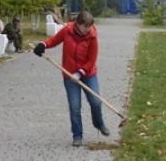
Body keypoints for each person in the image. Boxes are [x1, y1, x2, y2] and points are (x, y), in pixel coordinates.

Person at [32, 11, 110, 147]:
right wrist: (43, 45)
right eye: (85, 26)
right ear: (78, 24)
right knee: (75, 107)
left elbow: (92, 60)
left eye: (90, 26)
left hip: (88, 74)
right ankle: (77, 135)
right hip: (68, 74)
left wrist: (80, 73)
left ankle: (99, 123)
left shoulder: (92, 36)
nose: (88, 29)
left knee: (96, 102)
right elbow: (53, 41)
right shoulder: (67, 31)